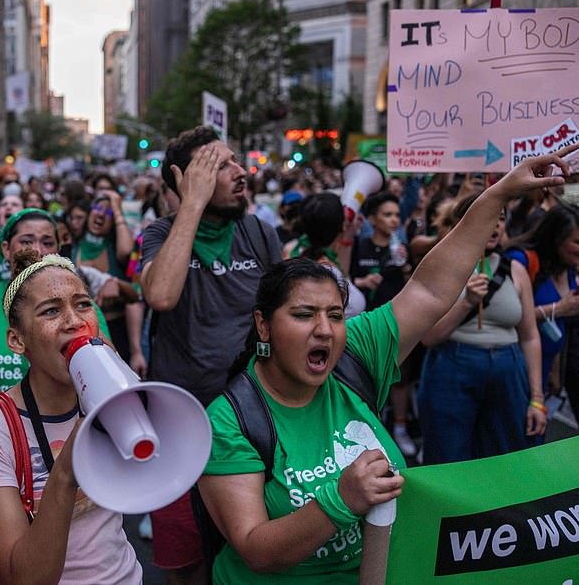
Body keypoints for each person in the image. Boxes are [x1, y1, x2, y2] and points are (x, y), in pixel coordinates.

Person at [197, 150, 569, 584]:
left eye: (335, 315)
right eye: (303, 316)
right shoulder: (228, 421)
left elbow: (430, 289)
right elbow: (256, 549)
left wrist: (499, 193)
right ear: (263, 324)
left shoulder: (354, 351)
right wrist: (340, 501)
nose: (325, 330)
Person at [140, 126, 281, 584]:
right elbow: (160, 294)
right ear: (184, 180)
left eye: (236, 160)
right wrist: (192, 204)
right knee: (186, 561)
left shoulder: (260, 234)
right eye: (219, 166)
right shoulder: (161, 233)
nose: (240, 172)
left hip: (250, 424)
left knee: (250, 547)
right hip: (180, 425)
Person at [0, 250, 142, 584]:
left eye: (83, 304)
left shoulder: (111, 401)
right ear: (17, 339)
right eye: (51, 310)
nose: (74, 321)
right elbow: (23, 578)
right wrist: (67, 470)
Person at [0, 208, 112, 476]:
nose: (38, 249)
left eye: (48, 242)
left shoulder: (83, 311)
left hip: (70, 449)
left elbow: (108, 372)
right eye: (27, 241)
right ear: (5, 249)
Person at [417, 193, 545, 463]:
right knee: (449, 455)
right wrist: (467, 303)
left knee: (504, 455)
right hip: (453, 367)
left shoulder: (515, 270)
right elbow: (428, 338)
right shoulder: (440, 266)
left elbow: (530, 337)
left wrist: (536, 398)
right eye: (488, 217)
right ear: (465, 222)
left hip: (509, 369)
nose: (496, 225)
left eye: (500, 219)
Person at [349, 191, 416, 456]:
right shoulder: (358, 245)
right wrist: (362, 283)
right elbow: (345, 279)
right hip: (365, 327)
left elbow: (413, 286)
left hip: (397, 323)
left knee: (400, 379)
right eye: (387, 215)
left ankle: (400, 427)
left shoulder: (401, 247)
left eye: (397, 216)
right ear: (373, 219)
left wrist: (407, 266)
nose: (393, 221)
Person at [506, 203, 579, 422]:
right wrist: (556, 309)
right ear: (556, 238)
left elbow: (560, 325)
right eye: (577, 242)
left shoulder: (566, 267)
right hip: (515, 370)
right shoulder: (520, 261)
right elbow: (507, 317)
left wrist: (556, 372)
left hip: (545, 372)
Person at [71, 192, 135, 359]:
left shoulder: (116, 248)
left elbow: (128, 251)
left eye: (109, 213)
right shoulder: (73, 244)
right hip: (81, 332)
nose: (101, 214)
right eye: (98, 208)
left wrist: (115, 283)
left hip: (116, 330)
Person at [283, 192, 365, 318]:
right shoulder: (327, 270)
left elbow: (343, 273)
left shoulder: (291, 249)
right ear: (342, 226)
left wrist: (347, 236)